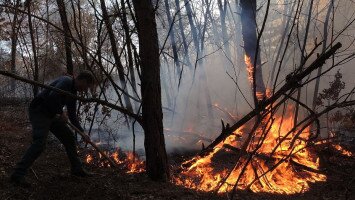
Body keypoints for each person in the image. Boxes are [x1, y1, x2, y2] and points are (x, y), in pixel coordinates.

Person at [10, 71, 95, 188]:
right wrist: (61, 112)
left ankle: (77, 169)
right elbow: (52, 96)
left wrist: (82, 133)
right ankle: (17, 174)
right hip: (39, 111)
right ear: (83, 80)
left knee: (69, 137)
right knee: (39, 143)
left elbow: (72, 114)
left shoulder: (73, 92)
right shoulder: (66, 81)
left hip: (52, 114)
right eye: (86, 86)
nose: (85, 90)